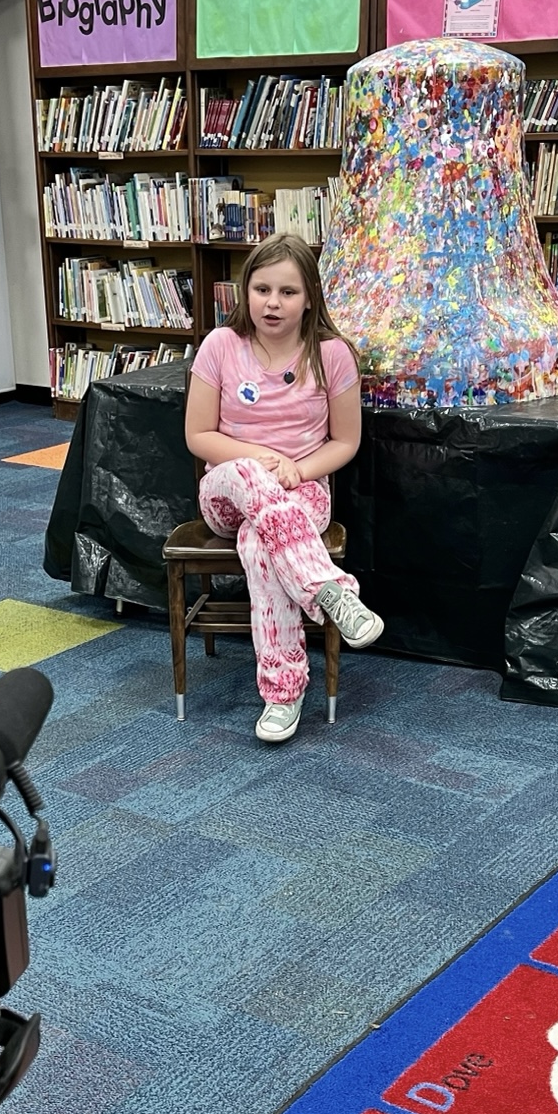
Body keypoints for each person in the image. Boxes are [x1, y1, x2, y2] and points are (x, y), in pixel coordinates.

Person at [185, 232, 382, 743]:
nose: (272, 303)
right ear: (245, 292)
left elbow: (345, 441)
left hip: (303, 491)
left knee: (260, 543)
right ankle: (329, 590)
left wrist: (299, 469)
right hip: (227, 488)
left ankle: (282, 693)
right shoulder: (220, 346)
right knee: (248, 477)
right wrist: (258, 458)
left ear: (310, 297)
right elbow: (198, 435)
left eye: (288, 292)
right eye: (262, 289)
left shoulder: (333, 355)